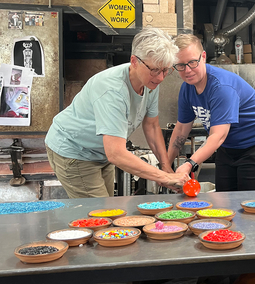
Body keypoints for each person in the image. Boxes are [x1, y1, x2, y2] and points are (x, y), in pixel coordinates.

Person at [45, 27, 190, 198]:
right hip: (75, 150)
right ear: (134, 61)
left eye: (166, 70)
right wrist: (164, 177)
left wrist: (166, 168)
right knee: (99, 217)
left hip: (101, 153)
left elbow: (151, 126)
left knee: (109, 208)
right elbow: (116, 153)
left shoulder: (150, 82)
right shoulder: (112, 89)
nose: (160, 78)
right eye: (155, 70)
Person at [167, 34, 255, 191]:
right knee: (224, 203)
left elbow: (218, 136)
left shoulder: (221, 87)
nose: (187, 70)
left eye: (192, 63)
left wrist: (190, 164)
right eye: (180, 65)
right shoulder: (187, 89)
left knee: (250, 206)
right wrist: (165, 168)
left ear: (203, 57)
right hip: (229, 147)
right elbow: (181, 130)